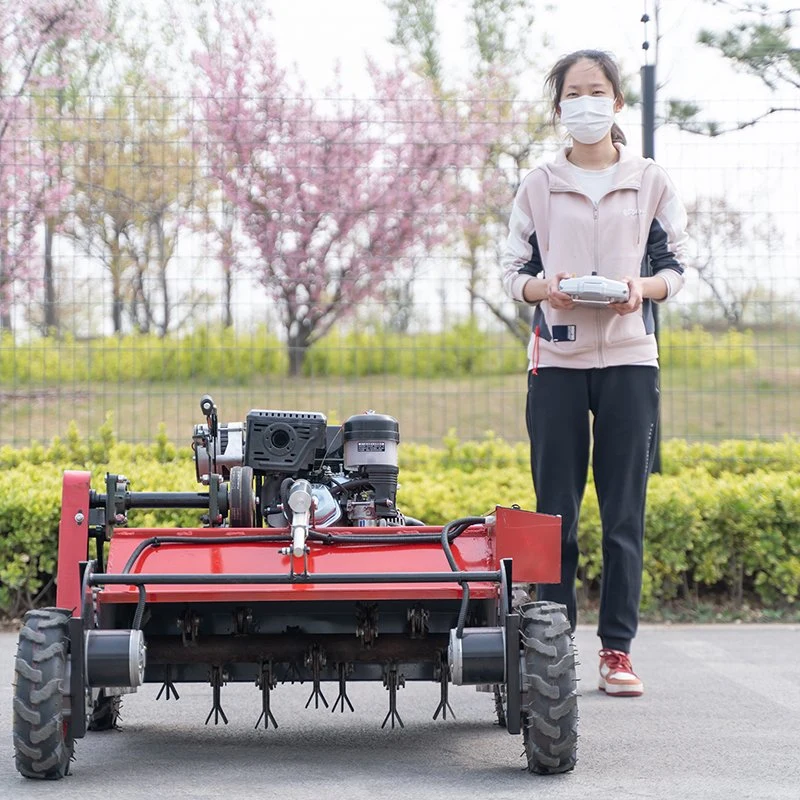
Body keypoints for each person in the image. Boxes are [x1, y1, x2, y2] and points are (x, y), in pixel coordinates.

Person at [501, 49, 688, 697]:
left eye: (597, 90)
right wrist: (541, 290)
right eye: (573, 93)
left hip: (630, 361)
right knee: (556, 513)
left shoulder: (649, 180)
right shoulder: (539, 185)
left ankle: (617, 651)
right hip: (555, 362)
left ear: (616, 102)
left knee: (623, 514)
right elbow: (511, 271)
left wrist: (642, 287)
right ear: (560, 109)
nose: (586, 102)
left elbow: (677, 267)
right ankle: (554, 646)